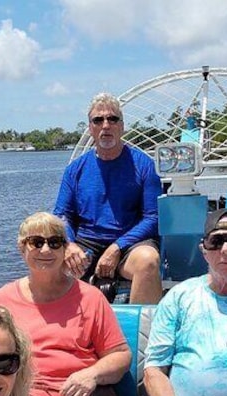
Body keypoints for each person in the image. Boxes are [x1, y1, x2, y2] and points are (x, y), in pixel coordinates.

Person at [0, 212, 131, 396]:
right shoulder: (1, 301)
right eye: (36, 242)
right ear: (22, 249)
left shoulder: (90, 298)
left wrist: (92, 374)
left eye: (55, 242)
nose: (45, 249)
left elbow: (121, 356)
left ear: (65, 249)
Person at [143, 209, 227, 396]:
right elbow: (154, 369)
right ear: (204, 250)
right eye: (216, 242)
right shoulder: (178, 297)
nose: (225, 250)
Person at [53, 92, 163, 305]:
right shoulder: (75, 169)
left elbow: (153, 217)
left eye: (112, 119)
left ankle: (142, 333)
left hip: (129, 244)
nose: (106, 125)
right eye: (98, 120)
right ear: (90, 128)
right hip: (86, 243)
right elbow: (62, 215)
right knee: (50, 261)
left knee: (148, 261)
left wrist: (117, 247)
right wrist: (70, 244)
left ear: (122, 126)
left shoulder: (144, 165)